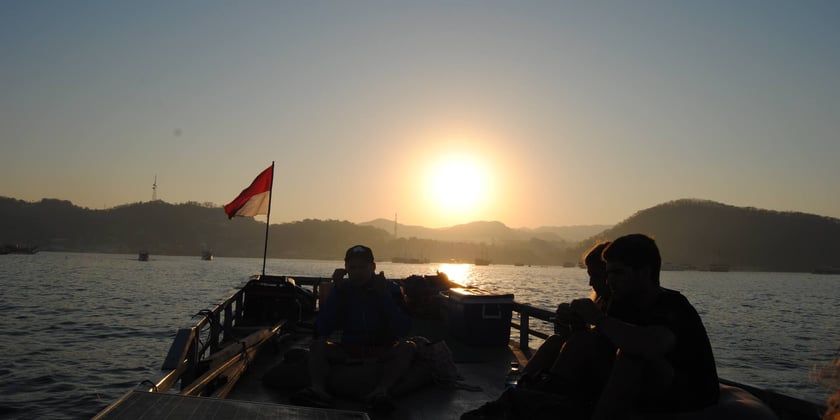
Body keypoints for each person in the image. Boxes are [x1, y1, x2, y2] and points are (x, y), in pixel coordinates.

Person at [463, 234, 719, 419]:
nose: (609, 281)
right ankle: (534, 398)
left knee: (631, 356)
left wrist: (599, 319)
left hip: (684, 394)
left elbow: (650, 345)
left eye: (617, 273)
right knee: (583, 341)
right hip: (643, 384)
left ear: (644, 272)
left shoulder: (672, 305)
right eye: (607, 273)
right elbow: (596, 344)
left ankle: (539, 402)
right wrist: (575, 324)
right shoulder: (622, 303)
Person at [291, 245, 415, 412]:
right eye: (352, 267)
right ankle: (318, 390)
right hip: (348, 349)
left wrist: (384, 296)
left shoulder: (390, 289)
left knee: (408, 347)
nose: (357, 272)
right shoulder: (342, 289)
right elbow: (322, 330)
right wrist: (337, 292)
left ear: (373, 267)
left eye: (362, 267)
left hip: (383, 349)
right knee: (317, 346)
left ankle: (380, 392)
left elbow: (403, 330)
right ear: (346, 269)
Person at [517, 241, 612, 386]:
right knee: (555, 341)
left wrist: (592, 321)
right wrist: (570, 323)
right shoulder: (601, 302)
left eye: (596, 276)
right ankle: (523, 387)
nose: (591, 283)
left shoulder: (623, 307)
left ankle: (542, 392)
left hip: (604, 372)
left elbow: (600, 345)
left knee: (578, 341)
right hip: (591, 363)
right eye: (590, 276)